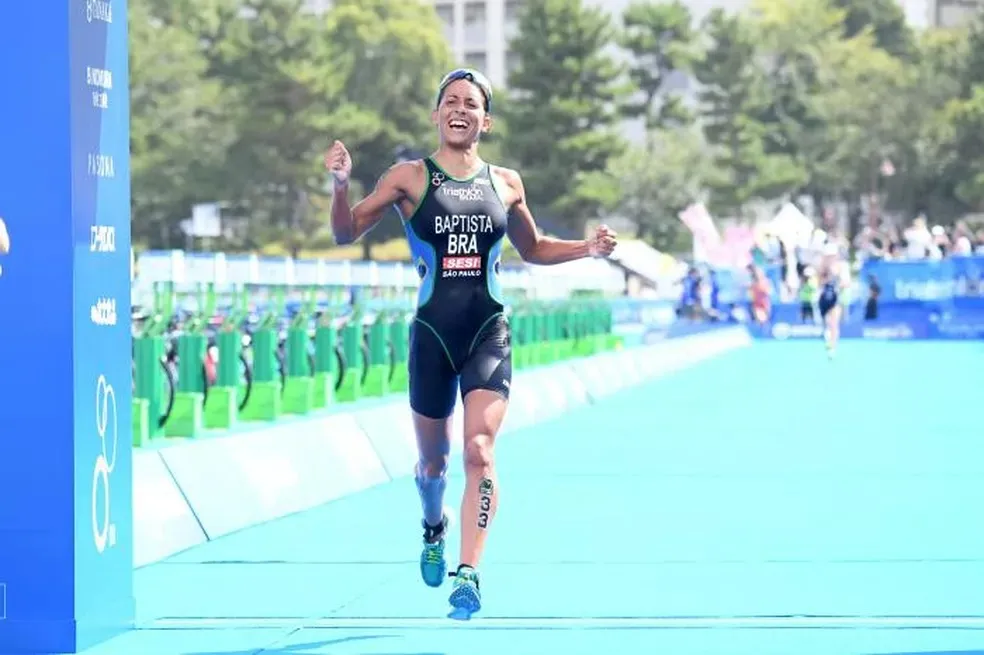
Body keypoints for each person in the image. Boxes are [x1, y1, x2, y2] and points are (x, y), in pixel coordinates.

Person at [323, 68, 617, 618]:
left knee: (479, 450)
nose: (460, 110)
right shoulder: (409, 178)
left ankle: (469, 573)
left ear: (487, 119)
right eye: (450, 102)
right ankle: (433, 525)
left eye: (471, 103)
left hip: (488, 330)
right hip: (432, 335)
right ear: (437, 115)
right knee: (432, 464)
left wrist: (588, 248)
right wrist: (340, 187)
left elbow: (534, 248)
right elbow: (345, 232)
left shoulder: (506, 183)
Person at [817, 244, 844, 358]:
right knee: (827, 323)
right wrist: (828, 275)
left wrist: (837, 279)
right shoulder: (822, 268)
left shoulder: (841, 267)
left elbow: (845, 282)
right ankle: (828, 341)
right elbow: (820, 283)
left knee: (834, 323)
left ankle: (833, 347)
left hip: (835, 299)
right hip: (824, 300)